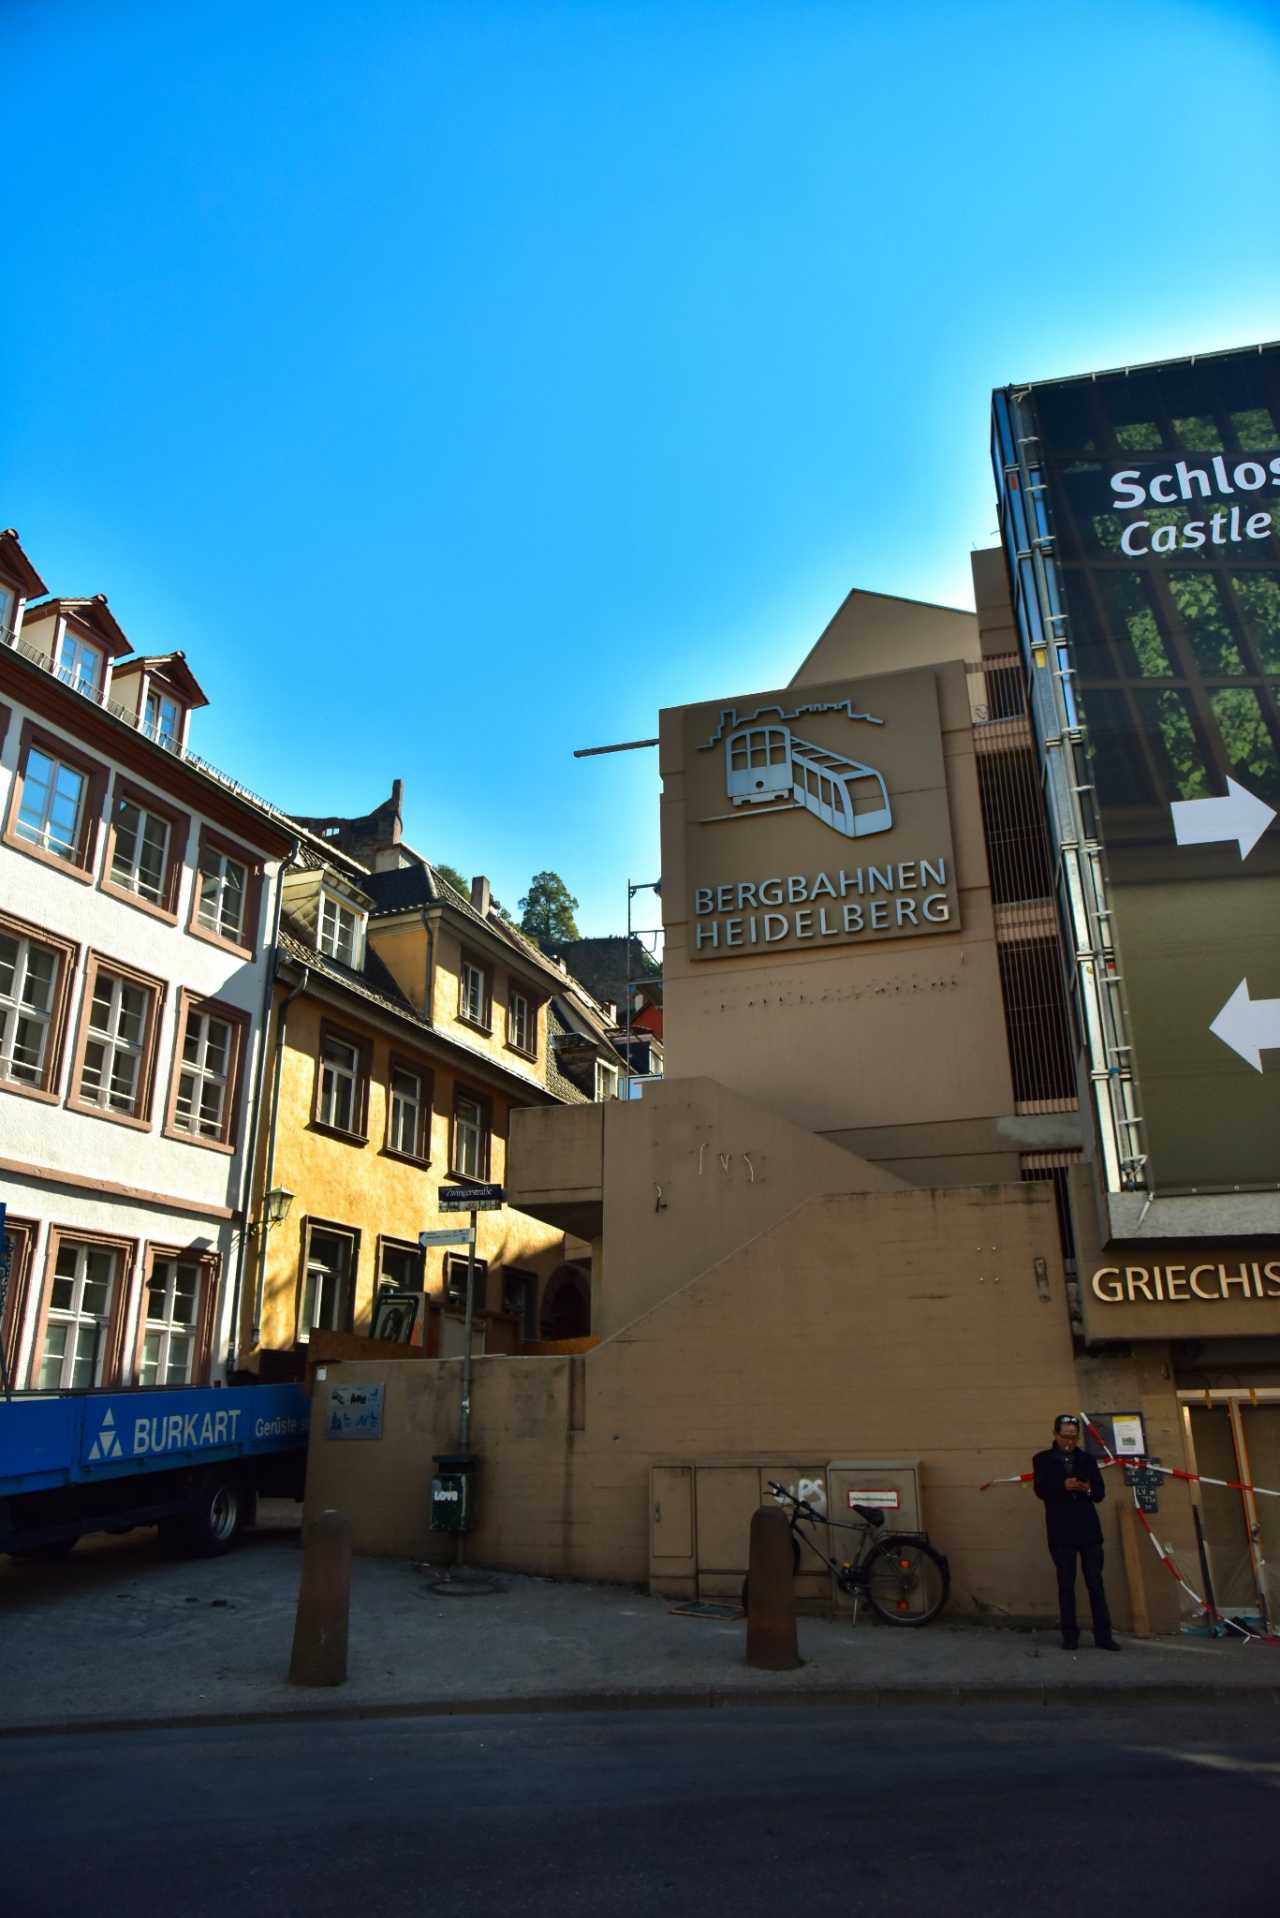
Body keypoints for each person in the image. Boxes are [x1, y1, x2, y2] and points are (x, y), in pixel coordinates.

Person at [1032, 1414, 1119, 1651]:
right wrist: (1063, 1486)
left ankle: (1103, 1635)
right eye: (1065, 1436)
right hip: (1061, 1530)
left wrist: (1087, 1488)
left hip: (1088, 1529)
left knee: (1095, 1583)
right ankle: (1070, 1636)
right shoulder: (1042, 1459)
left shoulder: (1087, 1459)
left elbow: (1100, 1493)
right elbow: (1040, 1489)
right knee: (1066, 1584)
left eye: (1074, 1436)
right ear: (1055, 1434)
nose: (1070, 1441)